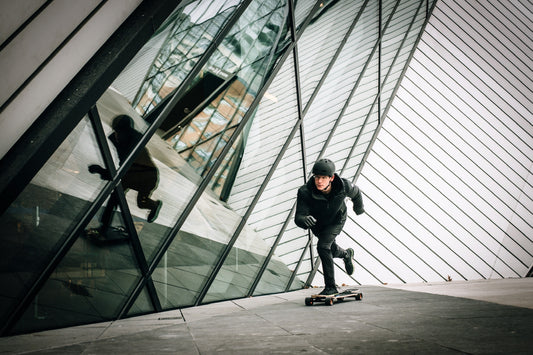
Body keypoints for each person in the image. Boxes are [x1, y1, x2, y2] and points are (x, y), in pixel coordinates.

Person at [294, 158, 365, 295]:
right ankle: (346, 254)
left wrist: (359, 209)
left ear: (331, 178)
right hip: (318, 225)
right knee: (330, 249)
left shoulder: (343, 186)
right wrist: (304, 219)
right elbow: (298, 216)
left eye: (323, 178)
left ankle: (331, 287)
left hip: (336, 220)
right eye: (316, 177)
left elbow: (357, 194)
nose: (319, 181)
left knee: (323, 246)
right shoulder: (305, 192)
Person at [89, 115, 162, 232]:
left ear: (125, 132)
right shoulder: (122, 140)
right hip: (135, 173)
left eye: (118, 131)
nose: (116, 134)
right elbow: (123, 168)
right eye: (115, 131)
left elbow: (124, 170)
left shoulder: (134, 144)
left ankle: (154, 205)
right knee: (116, 197)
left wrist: (101, 171)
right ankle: (104, 226)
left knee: (140, 202)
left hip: (146, 176)